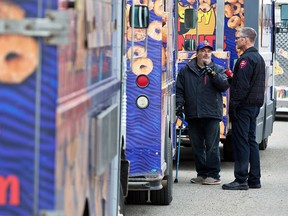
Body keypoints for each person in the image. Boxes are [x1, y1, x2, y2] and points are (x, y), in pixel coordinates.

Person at [176, 40, 230, 185]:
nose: (206, 53)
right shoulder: (186, 70)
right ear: (197, 53)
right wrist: (179, 104)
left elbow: (224, 86)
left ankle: (214, 174)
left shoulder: (217, 69)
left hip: (211, 113)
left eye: (208, 51)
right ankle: (202, 173)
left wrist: (213, 74)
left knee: (212, 146)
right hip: (193, 113)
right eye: (203, 51)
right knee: (197, 146)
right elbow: (180, 90)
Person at [222, 27, 265, 190]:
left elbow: (241, 87)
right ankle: (254, 179)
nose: (236, 40)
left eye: (238, 38)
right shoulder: (258, 58)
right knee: (251, 141)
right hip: (253, 106)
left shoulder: (245, 60)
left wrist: (233, 107)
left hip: (244, 107)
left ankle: (240, 179)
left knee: (241, 143)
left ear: (246, 39)